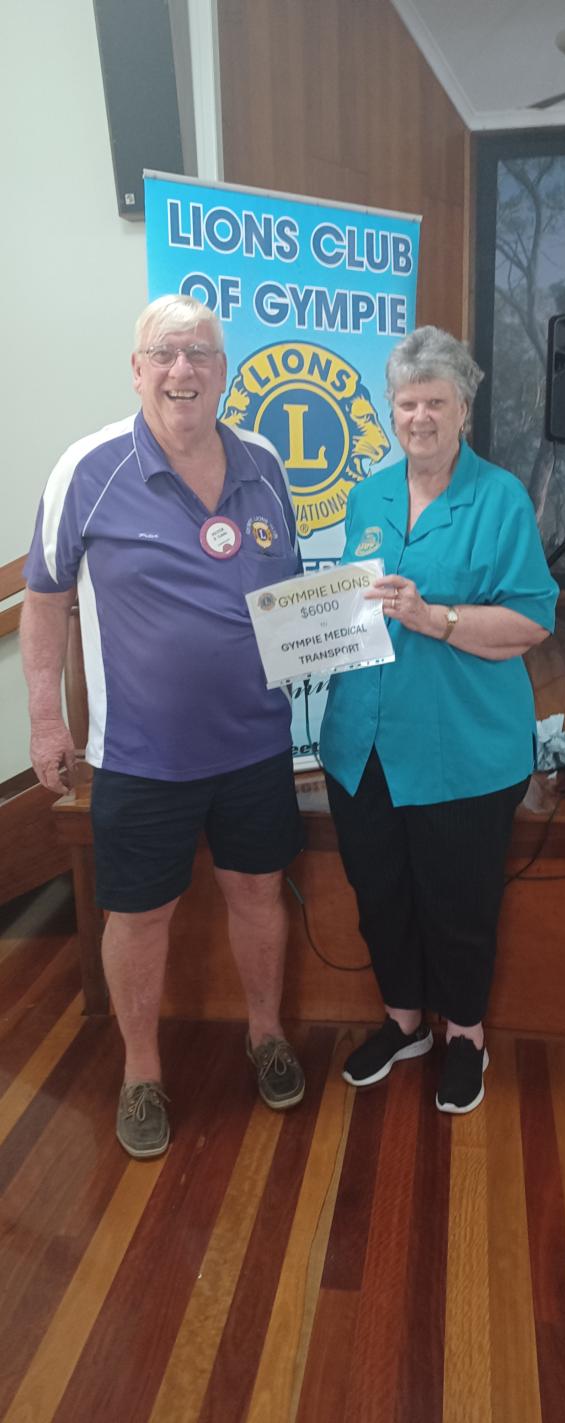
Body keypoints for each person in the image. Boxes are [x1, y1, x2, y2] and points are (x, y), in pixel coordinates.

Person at [21, 294, 305, 1158]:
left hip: (257, 745)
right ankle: (141, 1072)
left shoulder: (264, 462)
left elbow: (289, 595)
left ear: (223, 371)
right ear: (137, 369)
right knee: (139, 917)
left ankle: (266, 1034)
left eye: (201, 354)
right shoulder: (88, 467)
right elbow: (44, 600)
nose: (184, 369)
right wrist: (45, 719)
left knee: (258, 894)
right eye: (166, 353)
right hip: (140, 757)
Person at [320, 326, 558, 1114]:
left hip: (463, 747)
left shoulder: (500, 498)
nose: (419, 416)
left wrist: (437, 619)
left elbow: (532, 621)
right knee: (380, 892)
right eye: (406, 402)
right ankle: (403, 1023)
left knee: (459, 903)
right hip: (363, 743)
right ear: (391, 409)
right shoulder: (368, 495)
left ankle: (465, 1035)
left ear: (464, 409)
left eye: (435, 402)